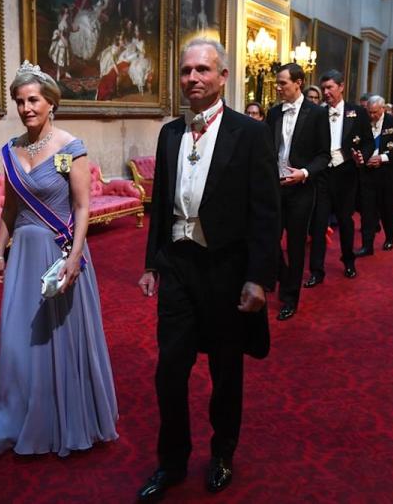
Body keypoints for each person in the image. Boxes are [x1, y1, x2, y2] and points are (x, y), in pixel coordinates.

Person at [136, 39, 280, 500]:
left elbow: (265, 211)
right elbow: (160, 205)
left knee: (225, 371)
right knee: (169, 371)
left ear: (222, 77)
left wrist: (258, 277)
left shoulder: (250, 133)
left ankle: (222, 453)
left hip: (226, 270)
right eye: (185, 71)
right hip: (178, 266)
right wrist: (151, 262)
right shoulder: (168, 134)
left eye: (202, 70)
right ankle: (172, 461)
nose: (193, 78)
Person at [0, 61, 118, 458]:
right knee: (16, 340)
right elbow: (9, 207)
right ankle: (6, 425)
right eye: (20, 102)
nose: (26, 108)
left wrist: (74, 257)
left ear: (50, 102)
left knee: (59, 340)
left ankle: (63, 420)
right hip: (23, 255)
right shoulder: (10, 150)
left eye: (33, 100)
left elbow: (82, 206)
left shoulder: (71, 146)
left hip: (60, 255)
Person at [266, 63, 331, 321]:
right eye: (277, 82)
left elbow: (324, 155)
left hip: (302, 189)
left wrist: (304, 173)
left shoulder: (316, 114)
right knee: (268, 239)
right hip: (275, 187)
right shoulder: (273, 113)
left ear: (298, 82)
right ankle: (283, 278)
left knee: (295, 245)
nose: (278, 87)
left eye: (282, 83)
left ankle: (290, 297)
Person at [305, 70, 371, 288]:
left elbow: (368, 143)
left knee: (345, 220)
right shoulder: (316, 113)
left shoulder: (358, 112)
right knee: (319, 223)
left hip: (346, 173)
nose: (326, 93)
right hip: (322, 175)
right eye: (323, 89)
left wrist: (363, 155)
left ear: (341, 87)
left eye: (330, 88)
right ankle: (316, 270)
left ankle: (349, 262)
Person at [354, 95, 393, 256]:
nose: (372, 116)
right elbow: (356, 143)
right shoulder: (362, 122)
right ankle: (367, 245)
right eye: (369, 112)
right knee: (367, 211)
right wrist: (362, 157)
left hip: (387, 174)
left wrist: (383, 158)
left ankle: (389, 238)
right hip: (367, 174)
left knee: (387, 210)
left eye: (375, 112)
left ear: (383, 109)